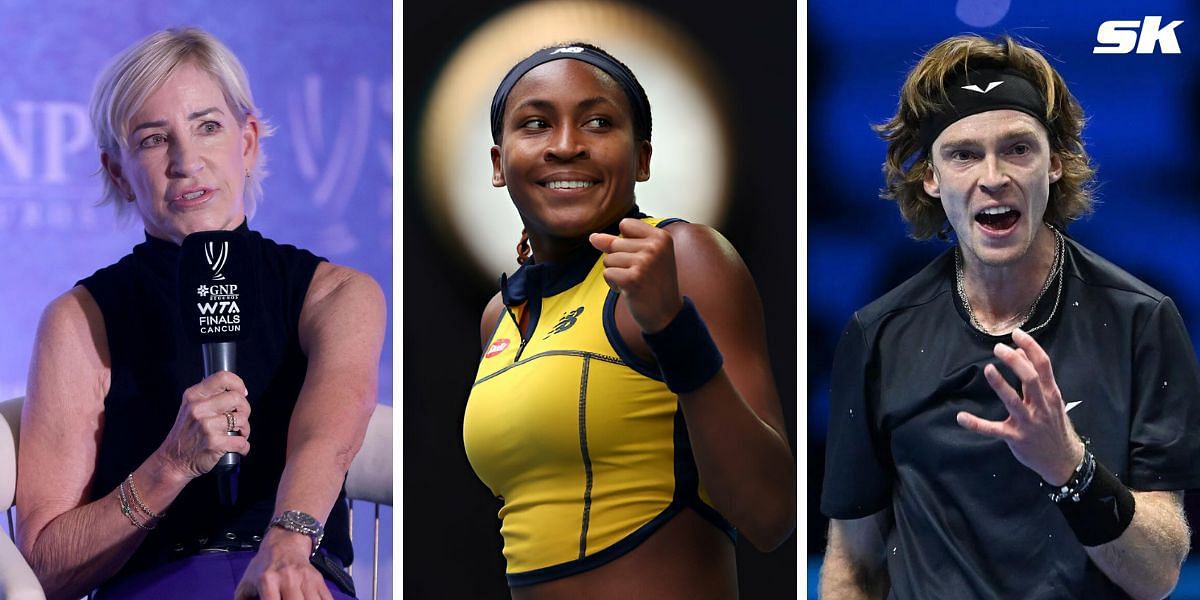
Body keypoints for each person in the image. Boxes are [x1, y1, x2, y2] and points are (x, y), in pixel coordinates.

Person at [819, 33, 1200, 599]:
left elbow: (1158, 574)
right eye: (964, 154)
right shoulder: (877, 335)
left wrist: (1070, 467)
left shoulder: (1141, 321)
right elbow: (854, 565)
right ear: (931, 177)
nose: (993, 176)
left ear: (1056, 165)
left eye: (1018, 149)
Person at [15, 27, 386, 600]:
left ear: (248, 141)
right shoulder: (79, 320)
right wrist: (171, 463)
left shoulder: (338, 293)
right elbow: (46, 567)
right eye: (153, 139)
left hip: (295, 579)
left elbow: (326, 437)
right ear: (118, 172)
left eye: (207, 126)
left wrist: (288, 545)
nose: (187, 161)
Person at [462, 43, 795, 598]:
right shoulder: (501, 314)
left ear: (642, 158)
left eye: (597, 122)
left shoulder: (686, 255)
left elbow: (771, 514)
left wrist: (671, 326)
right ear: (499, 164)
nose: (566, 146)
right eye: (537, 124)